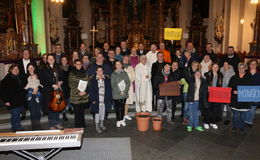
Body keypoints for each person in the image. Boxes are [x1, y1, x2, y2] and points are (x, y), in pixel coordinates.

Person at [39, 54, 63, 130]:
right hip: (49, 91)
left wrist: (60, 82)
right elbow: (42, 81)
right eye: (49, 58)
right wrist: (52, 85)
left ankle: (57, 123)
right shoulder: (44, 69)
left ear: (54, 59)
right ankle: (52, 124)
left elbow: (61, 77)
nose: (51, 60)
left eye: (52, 58)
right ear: (46, 60)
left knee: (57, 107)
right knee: (51, 108)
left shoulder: (57, 67)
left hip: (57, 91)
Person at [228, 62, 252, 134]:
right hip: (235, 99)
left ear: (245, 69)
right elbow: (229, 87)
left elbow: (251, 89)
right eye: (239, 68)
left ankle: (241, 127)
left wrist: (242, 92)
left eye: (243, 68)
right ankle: (235, 126)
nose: (241, 69)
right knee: (235, 115)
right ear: (238, 69)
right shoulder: (233, 77)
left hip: (244, 100)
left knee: (242, 115)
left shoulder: (249, 77)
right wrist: (233, 92)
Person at [88, 66, 113, 133]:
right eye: (98, 71)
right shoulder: (93, 79)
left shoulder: (106, 79)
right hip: (96, 99)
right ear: (96, 71)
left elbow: (109, 89)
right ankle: (97, 126)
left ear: (103, 71)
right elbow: (91, 90)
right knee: (97, 113)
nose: (100, 72)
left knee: (103, 112)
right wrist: (92, 99)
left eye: (101, 70)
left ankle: (101, 123)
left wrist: (109, 99)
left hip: (104, 99)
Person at [1, 64, 24, 131]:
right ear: (10, 70)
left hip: (18, 100)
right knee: (15, 115)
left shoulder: (18, 77)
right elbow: (3, 91)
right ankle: (15, 128)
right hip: (12, 101)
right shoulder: (6, 79)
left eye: (17, 69)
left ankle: (17, 126)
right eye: (14, 69)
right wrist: (6, 101)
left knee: (17, 115)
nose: (16, 70)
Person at [69, 59, 89, 128]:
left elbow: (87, 83)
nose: (78, 65)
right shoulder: (71, 73)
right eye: (77, 64)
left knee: (82, 112)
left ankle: (83, 125)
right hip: (75, 96)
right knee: (77, 113)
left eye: (80, 64)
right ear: (74, 65)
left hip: (83, 95)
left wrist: (85, 91)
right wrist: (79, 92)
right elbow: (71, 85)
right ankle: (78, 126)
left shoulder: (85, 72)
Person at [18, 49, 37, 119]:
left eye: (27, 53)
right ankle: (23, 113)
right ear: (22, 54)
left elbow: (36, 72)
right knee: (23, 99)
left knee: (32, 98)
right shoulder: (19, 62)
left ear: (29, 54)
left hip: (32, 83)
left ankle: (33, 113)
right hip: (23, 84)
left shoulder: (33, 62)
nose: (26, 54)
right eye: (24, 53)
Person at [203, 63, 223, 129]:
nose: (215, 68)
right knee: (208, 109)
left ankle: (213, 122)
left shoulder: (220, 75)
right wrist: (207, 87)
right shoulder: (207, 75)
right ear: (211, 67)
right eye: (214, 66)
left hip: (216, 94)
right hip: (208, 94)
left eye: (217, 67)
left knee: (215, 109)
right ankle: (206, 122)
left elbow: (222, 85)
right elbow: (203, 85)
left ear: (218, 68)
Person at [111, 61, 130, 127]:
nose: (118, 65)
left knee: (122, 107)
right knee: (117, 108)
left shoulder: (125, 73)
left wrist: (124, 91)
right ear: (115, 66)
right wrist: (120, 91)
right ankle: (118, 120)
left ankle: (122, 119)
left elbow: (128, 82)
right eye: (117, 64)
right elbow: (113, 85)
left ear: (121, 65)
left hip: (124, 94)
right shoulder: (113, 74)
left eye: (119, 64)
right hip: (116, 94)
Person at [25, 63, 42, 130]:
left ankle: (38, 125)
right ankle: (34, 126)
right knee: (33, 111)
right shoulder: (25, 76)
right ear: (27, 69)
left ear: (34, 68)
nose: (31, 69)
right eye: (29, 68)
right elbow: (24, 87)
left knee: (38, 111)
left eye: (32, 67)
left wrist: (37, 88)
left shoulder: (38, 76)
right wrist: (32, 89)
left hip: (38, 95)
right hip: (30, 95)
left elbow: (41, 84)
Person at [244, 60, 260, 127]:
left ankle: (250, 122)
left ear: (257, 65)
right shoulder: (246, 73)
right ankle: (245, 121)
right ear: (249, 65)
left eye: (254, 64)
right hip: (246, 92)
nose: (253, 65)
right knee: (246, 107)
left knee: (253, 108)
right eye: (251, 64)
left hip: (255, 93)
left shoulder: (259, 73)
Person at [122, 55, 135, 121]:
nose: (126, 60)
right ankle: (121, 115)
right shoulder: (120, 67)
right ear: (122, 60)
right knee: (122, 101)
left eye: (127, 59)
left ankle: (126, 114)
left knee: (127, 101)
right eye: (125, 59)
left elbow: (133, 77)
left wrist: (128, 81)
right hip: (121, 87)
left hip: (129, 86)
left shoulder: (131, 68)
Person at [60, 56, 72, 121]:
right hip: (62, 86)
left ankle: (70, 108)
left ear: (67, 60)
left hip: (69, 85)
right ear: (61, 61)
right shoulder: (59, 68)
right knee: (63, 100)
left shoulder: (70, 67)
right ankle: (64, 113)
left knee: (70, 99)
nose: (64, 61)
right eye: (63, 60)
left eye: (65, 60)